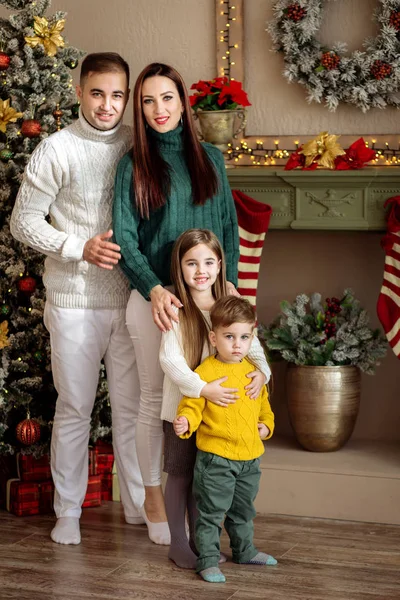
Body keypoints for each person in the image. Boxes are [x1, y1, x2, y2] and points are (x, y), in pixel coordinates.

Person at [10, 52, 145, 546]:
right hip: (73, 300)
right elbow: (22, 222)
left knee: (133, 411)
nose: (107, 105)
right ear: (79, 91)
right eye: (97, 93)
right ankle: (67, 511)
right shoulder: (56, 148)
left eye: (117, 95)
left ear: (126, 97)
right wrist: (77, 248)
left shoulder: (137, 143)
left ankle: (137, 504)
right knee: (75, 407)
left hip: (131, 300)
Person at [112, 63, 240, 545]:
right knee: (154, 403)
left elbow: (228, 229)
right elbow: (125, 237)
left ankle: (198, 501)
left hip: (208, 299)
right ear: (139, 109)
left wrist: (227, 290)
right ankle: (150, 494)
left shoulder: (210, 158)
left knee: (200, 397)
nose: (158, 110)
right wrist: (155, 289)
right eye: (147, 101)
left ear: (183, 102)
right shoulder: (134, 165)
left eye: (166, 98)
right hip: (156, 302)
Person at [160, 229, 271, 569]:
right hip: (184, 407)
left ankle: (201, 543)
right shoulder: (176, 307)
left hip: (220, 415)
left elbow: (253, 346)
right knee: (180, 475)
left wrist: (262, 374)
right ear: (180, 268)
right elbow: (169, 359)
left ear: (220, 265)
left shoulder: (227, 305)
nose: (200, 270)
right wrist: (202, 389)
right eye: (191, 263)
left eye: (208, 262)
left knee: (202, 478)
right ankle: (178, 544)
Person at [173, 295, 277, 583]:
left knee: (243, 511)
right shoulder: (206, 372)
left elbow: (264, 409)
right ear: (214, 337)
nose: (236, 344)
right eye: (229, 336)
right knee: (211, 512)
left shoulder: (253, 374)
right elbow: (192, 405)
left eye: (244, 337)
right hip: (216, 458)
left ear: (251, 338)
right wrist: (186, 421)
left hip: (250, 459)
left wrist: (266, 428)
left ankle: (245, 550)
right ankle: (207, 559)